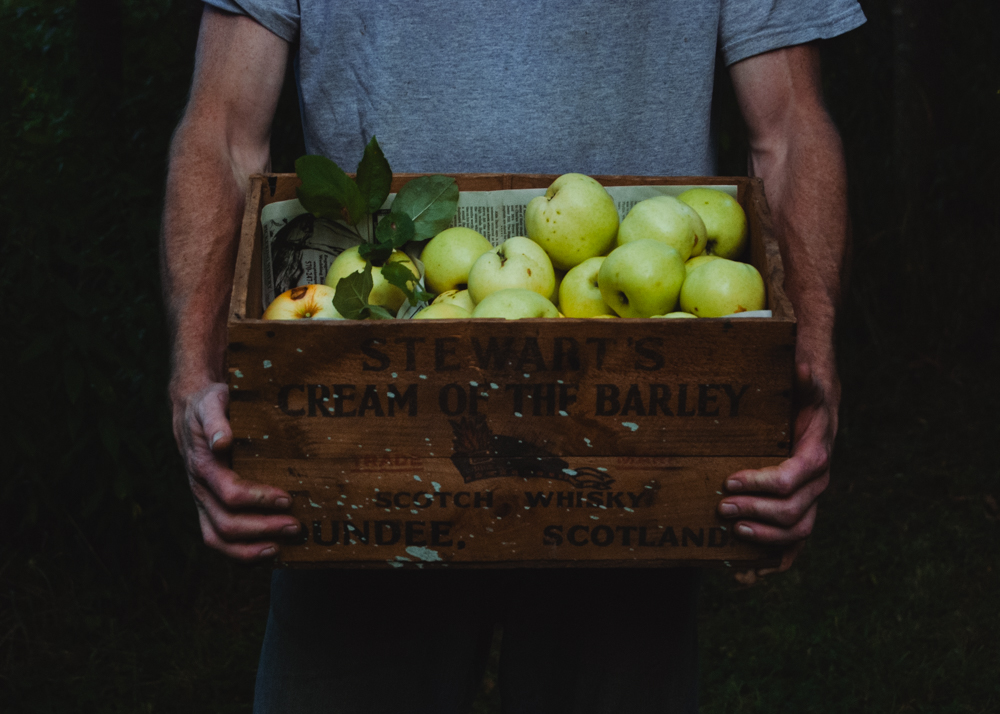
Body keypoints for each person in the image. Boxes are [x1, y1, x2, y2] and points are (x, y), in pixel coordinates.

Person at [161, 2, 865, 711]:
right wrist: (196, 379)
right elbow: (221, 131)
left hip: (635, 444)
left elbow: (789, 130)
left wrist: (806, 371)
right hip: (364, 439)